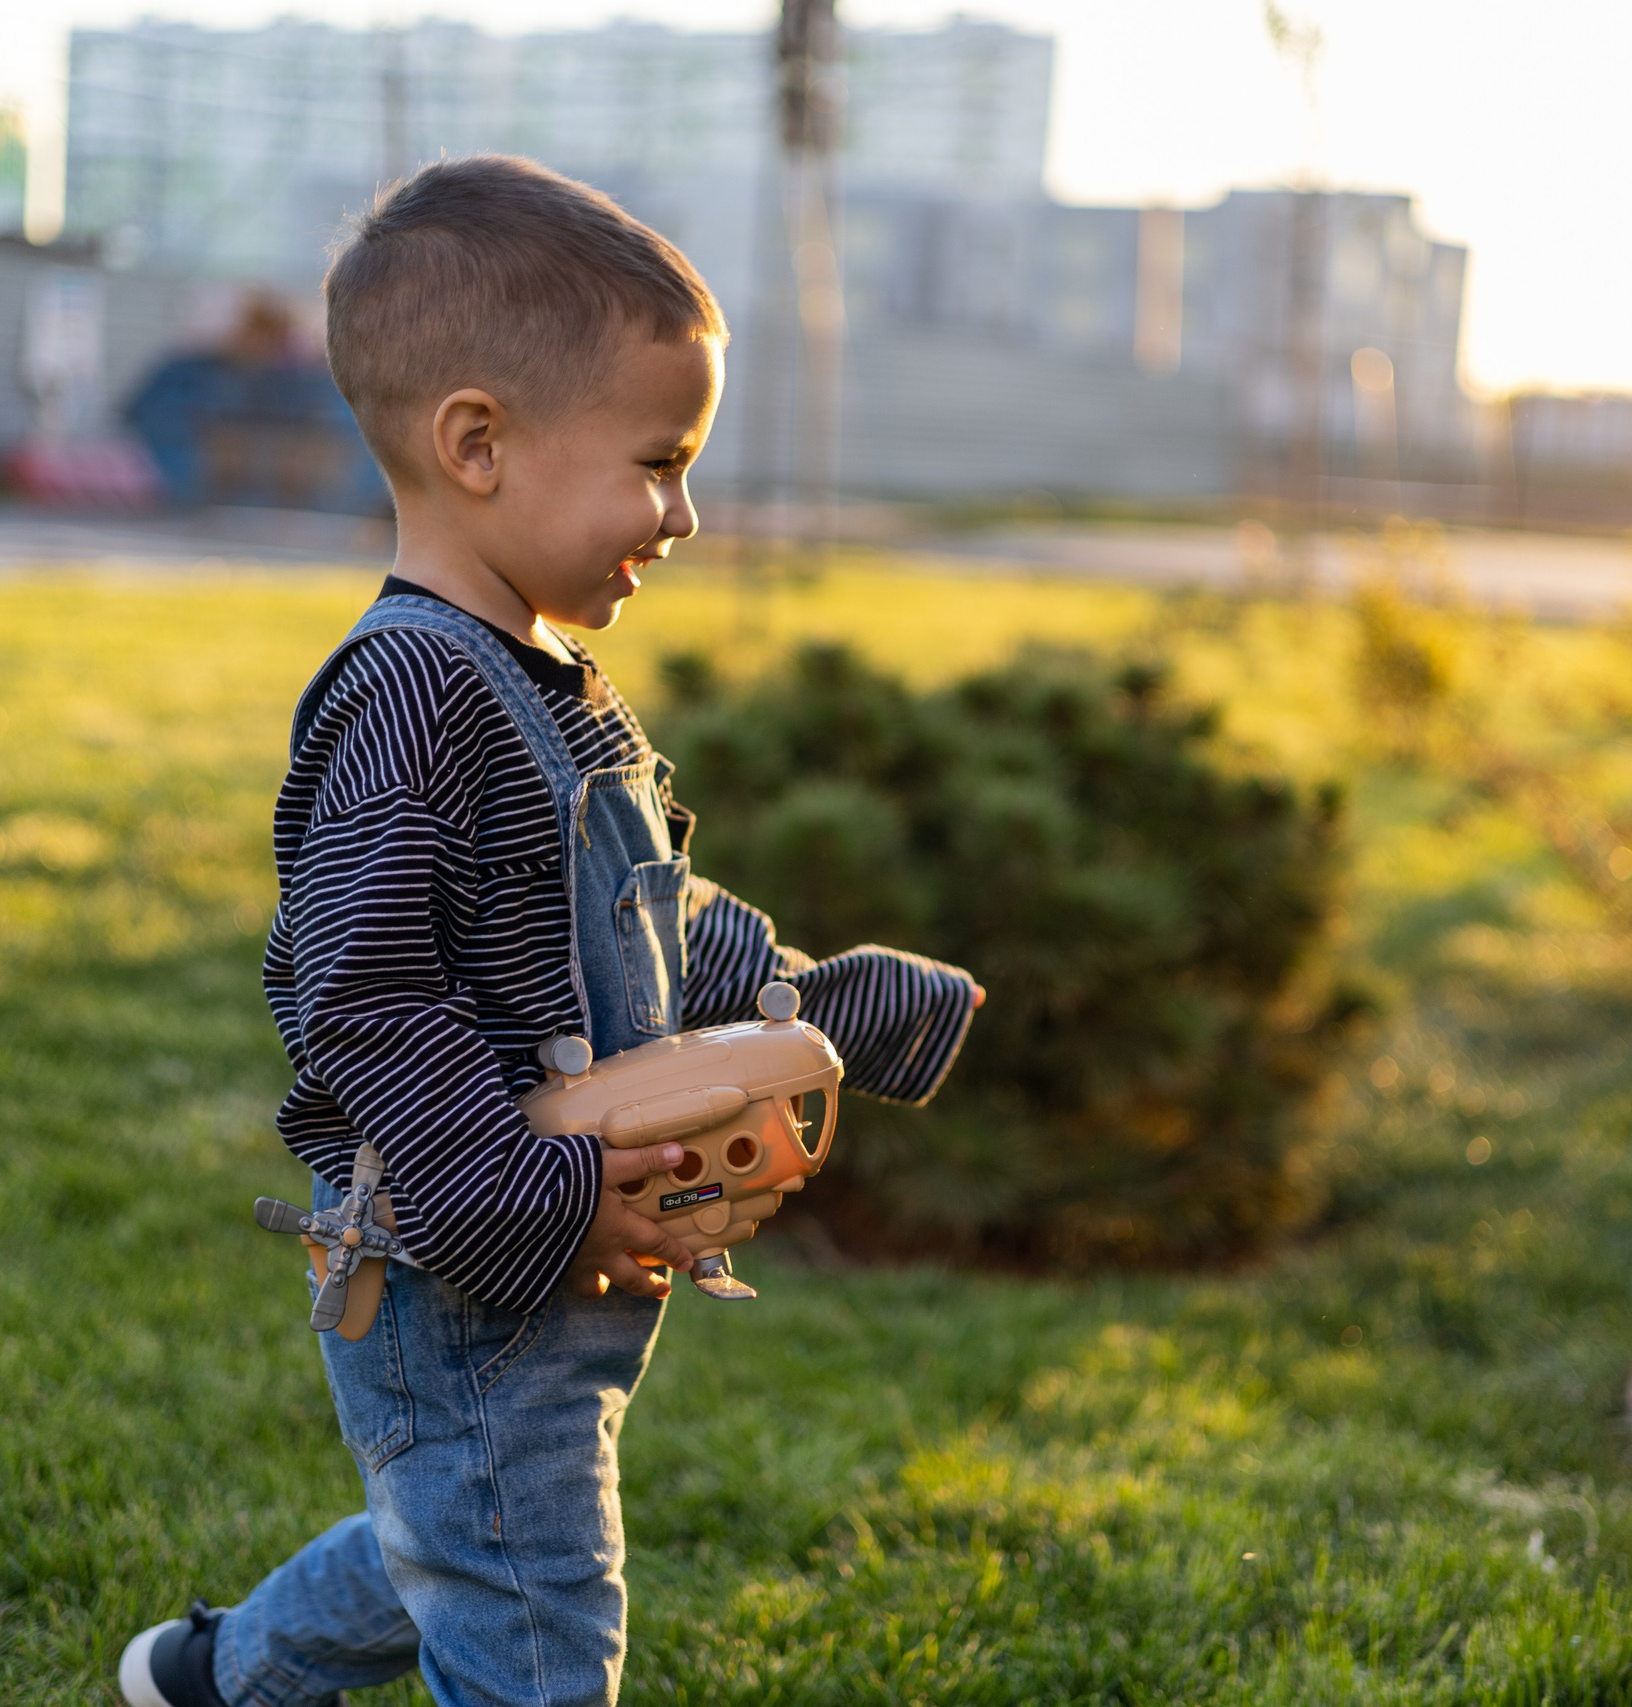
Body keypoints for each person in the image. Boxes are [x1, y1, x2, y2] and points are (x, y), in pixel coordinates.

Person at [115, 154, 982, 1707]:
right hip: (462, 1262)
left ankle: (217, 1679)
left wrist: (815, 1003)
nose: (687, 512)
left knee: (450, 1532)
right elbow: (368, 1001)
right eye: (658, 462)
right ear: (477, 444)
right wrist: (530, 1203)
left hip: (542, 1247)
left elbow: (641, 917)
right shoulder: (410, 694)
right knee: (529, 1602)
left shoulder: (548, 680)